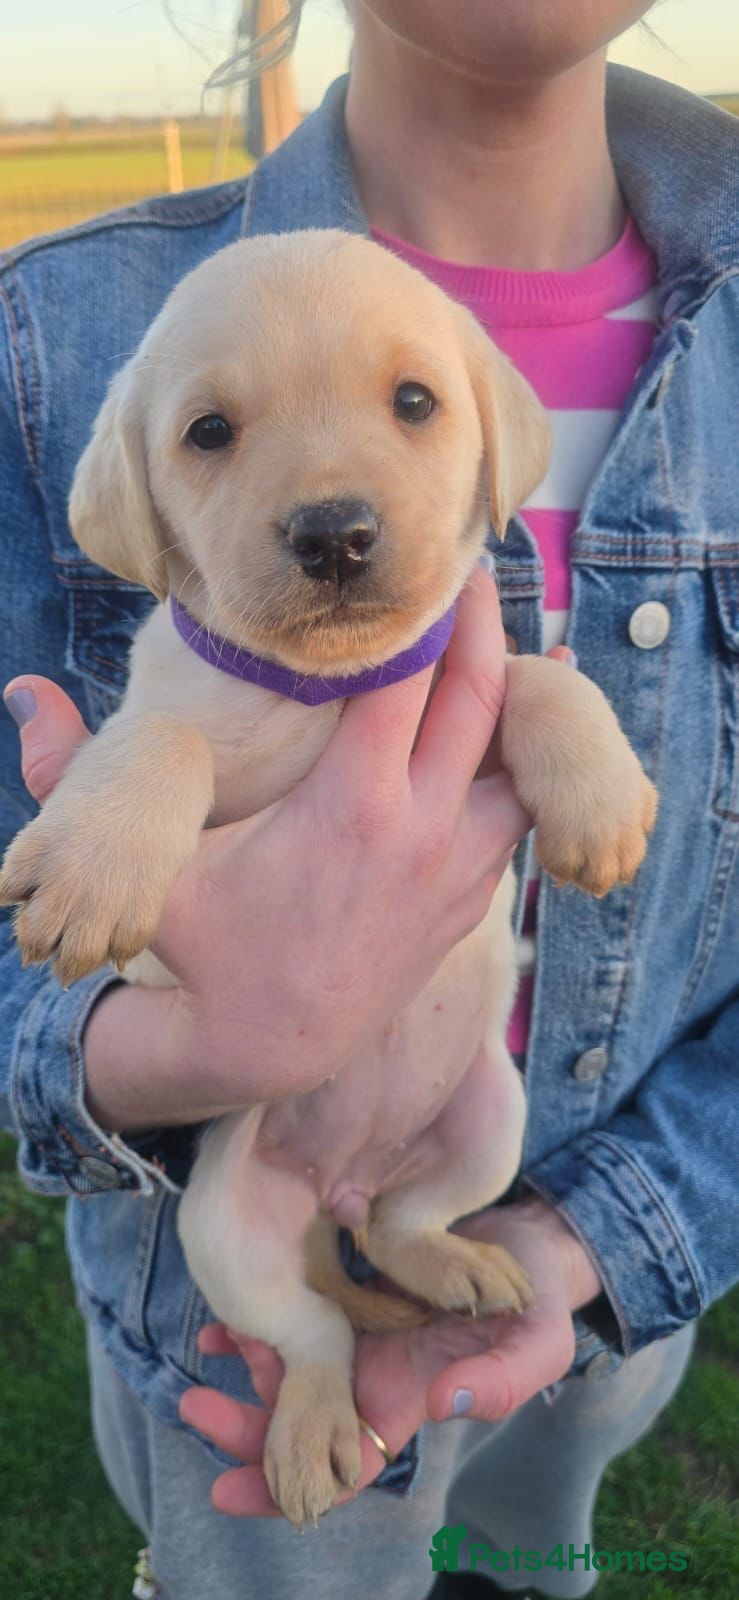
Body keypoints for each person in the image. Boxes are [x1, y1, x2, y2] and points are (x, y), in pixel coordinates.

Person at [0, 4, 737, 1597]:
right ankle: (320, 1349)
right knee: (247, 1269)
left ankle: (415, 1250)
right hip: (238, 1205)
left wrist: (582, 1245)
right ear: (152, 508)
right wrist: (205, 1031)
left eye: (410, 406)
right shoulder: (57, 343)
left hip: (559, 1234)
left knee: (537, 1540)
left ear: (486, 448)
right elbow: (151, 760)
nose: (332, 509)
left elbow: (529, 709)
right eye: (217, 434)